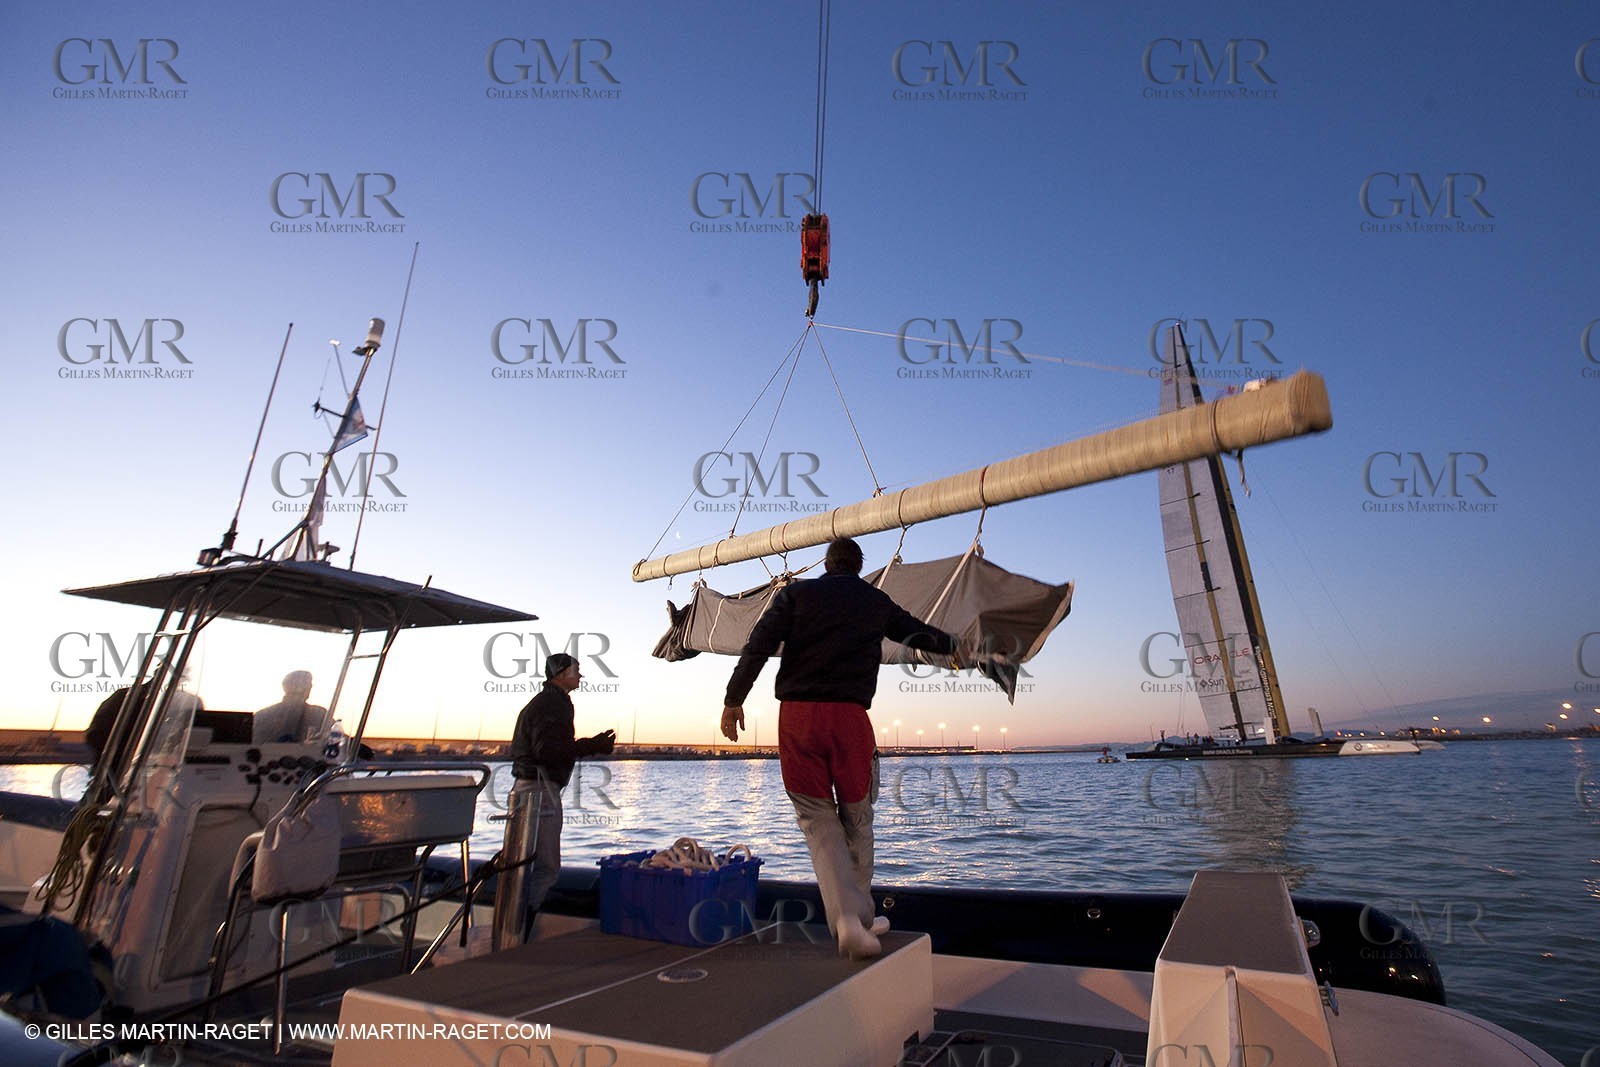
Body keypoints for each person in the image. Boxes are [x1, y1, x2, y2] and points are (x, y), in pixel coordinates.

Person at [720, 537, 960, 959]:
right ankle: (856, 921)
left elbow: (757, 645)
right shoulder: (874, 600)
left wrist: (733, 699)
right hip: (848, 720)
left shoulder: (794, 594)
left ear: (828, 564)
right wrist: (959, 647)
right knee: (857, 818)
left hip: (797, 719)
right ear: (858, 566)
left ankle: (854, 920)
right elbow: (918, 634)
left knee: (818, 821)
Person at [501, 652, 616, 944]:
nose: (580, 676)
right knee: (547, 868)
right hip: (539, 793)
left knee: (524, 863)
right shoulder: (554, 704)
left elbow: (548, 746)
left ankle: (513, 931)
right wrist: (591, 746)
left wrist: (589, 745)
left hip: (527, 789)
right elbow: (549, 751)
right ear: (560, 673)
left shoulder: (545, 703)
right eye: (576, 671)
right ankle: (520, 934)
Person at [253, 670, 330, 744]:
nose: (310, 687)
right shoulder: (319, 714)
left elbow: (337, 740)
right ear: (294, 687)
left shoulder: (320, 714)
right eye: (306, 683)